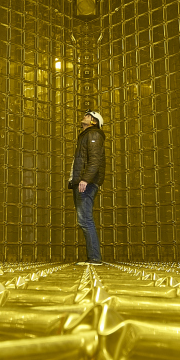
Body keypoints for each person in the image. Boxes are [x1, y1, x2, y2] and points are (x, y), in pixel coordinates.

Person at [68, 110, 105, 265]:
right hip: (82, 181)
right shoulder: (85, 136)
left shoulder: (94, 134)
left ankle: (95, 258)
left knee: (85, 220)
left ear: (94, 122)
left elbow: (95, 160)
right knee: (84, 219)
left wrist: (85, 179)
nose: (84, 116)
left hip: (86, 183)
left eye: (88, 115)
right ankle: (93, 257)